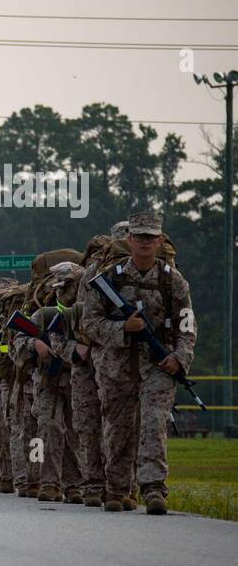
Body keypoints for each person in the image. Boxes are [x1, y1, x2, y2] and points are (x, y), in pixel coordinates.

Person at [80, 210, 195, 515]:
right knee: (117, 429)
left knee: (153, 425)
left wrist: (179, 359)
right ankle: (117, 489)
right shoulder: (108, 280)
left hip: (158, 367)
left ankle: (154, 489)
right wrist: (122, 329)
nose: (145, 241)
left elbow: (187, 327)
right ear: (130, 239)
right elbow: (89, 324)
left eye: (150, 237)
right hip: (115, 368)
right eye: (139, 236)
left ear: (159, 241)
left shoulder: (174, 283)